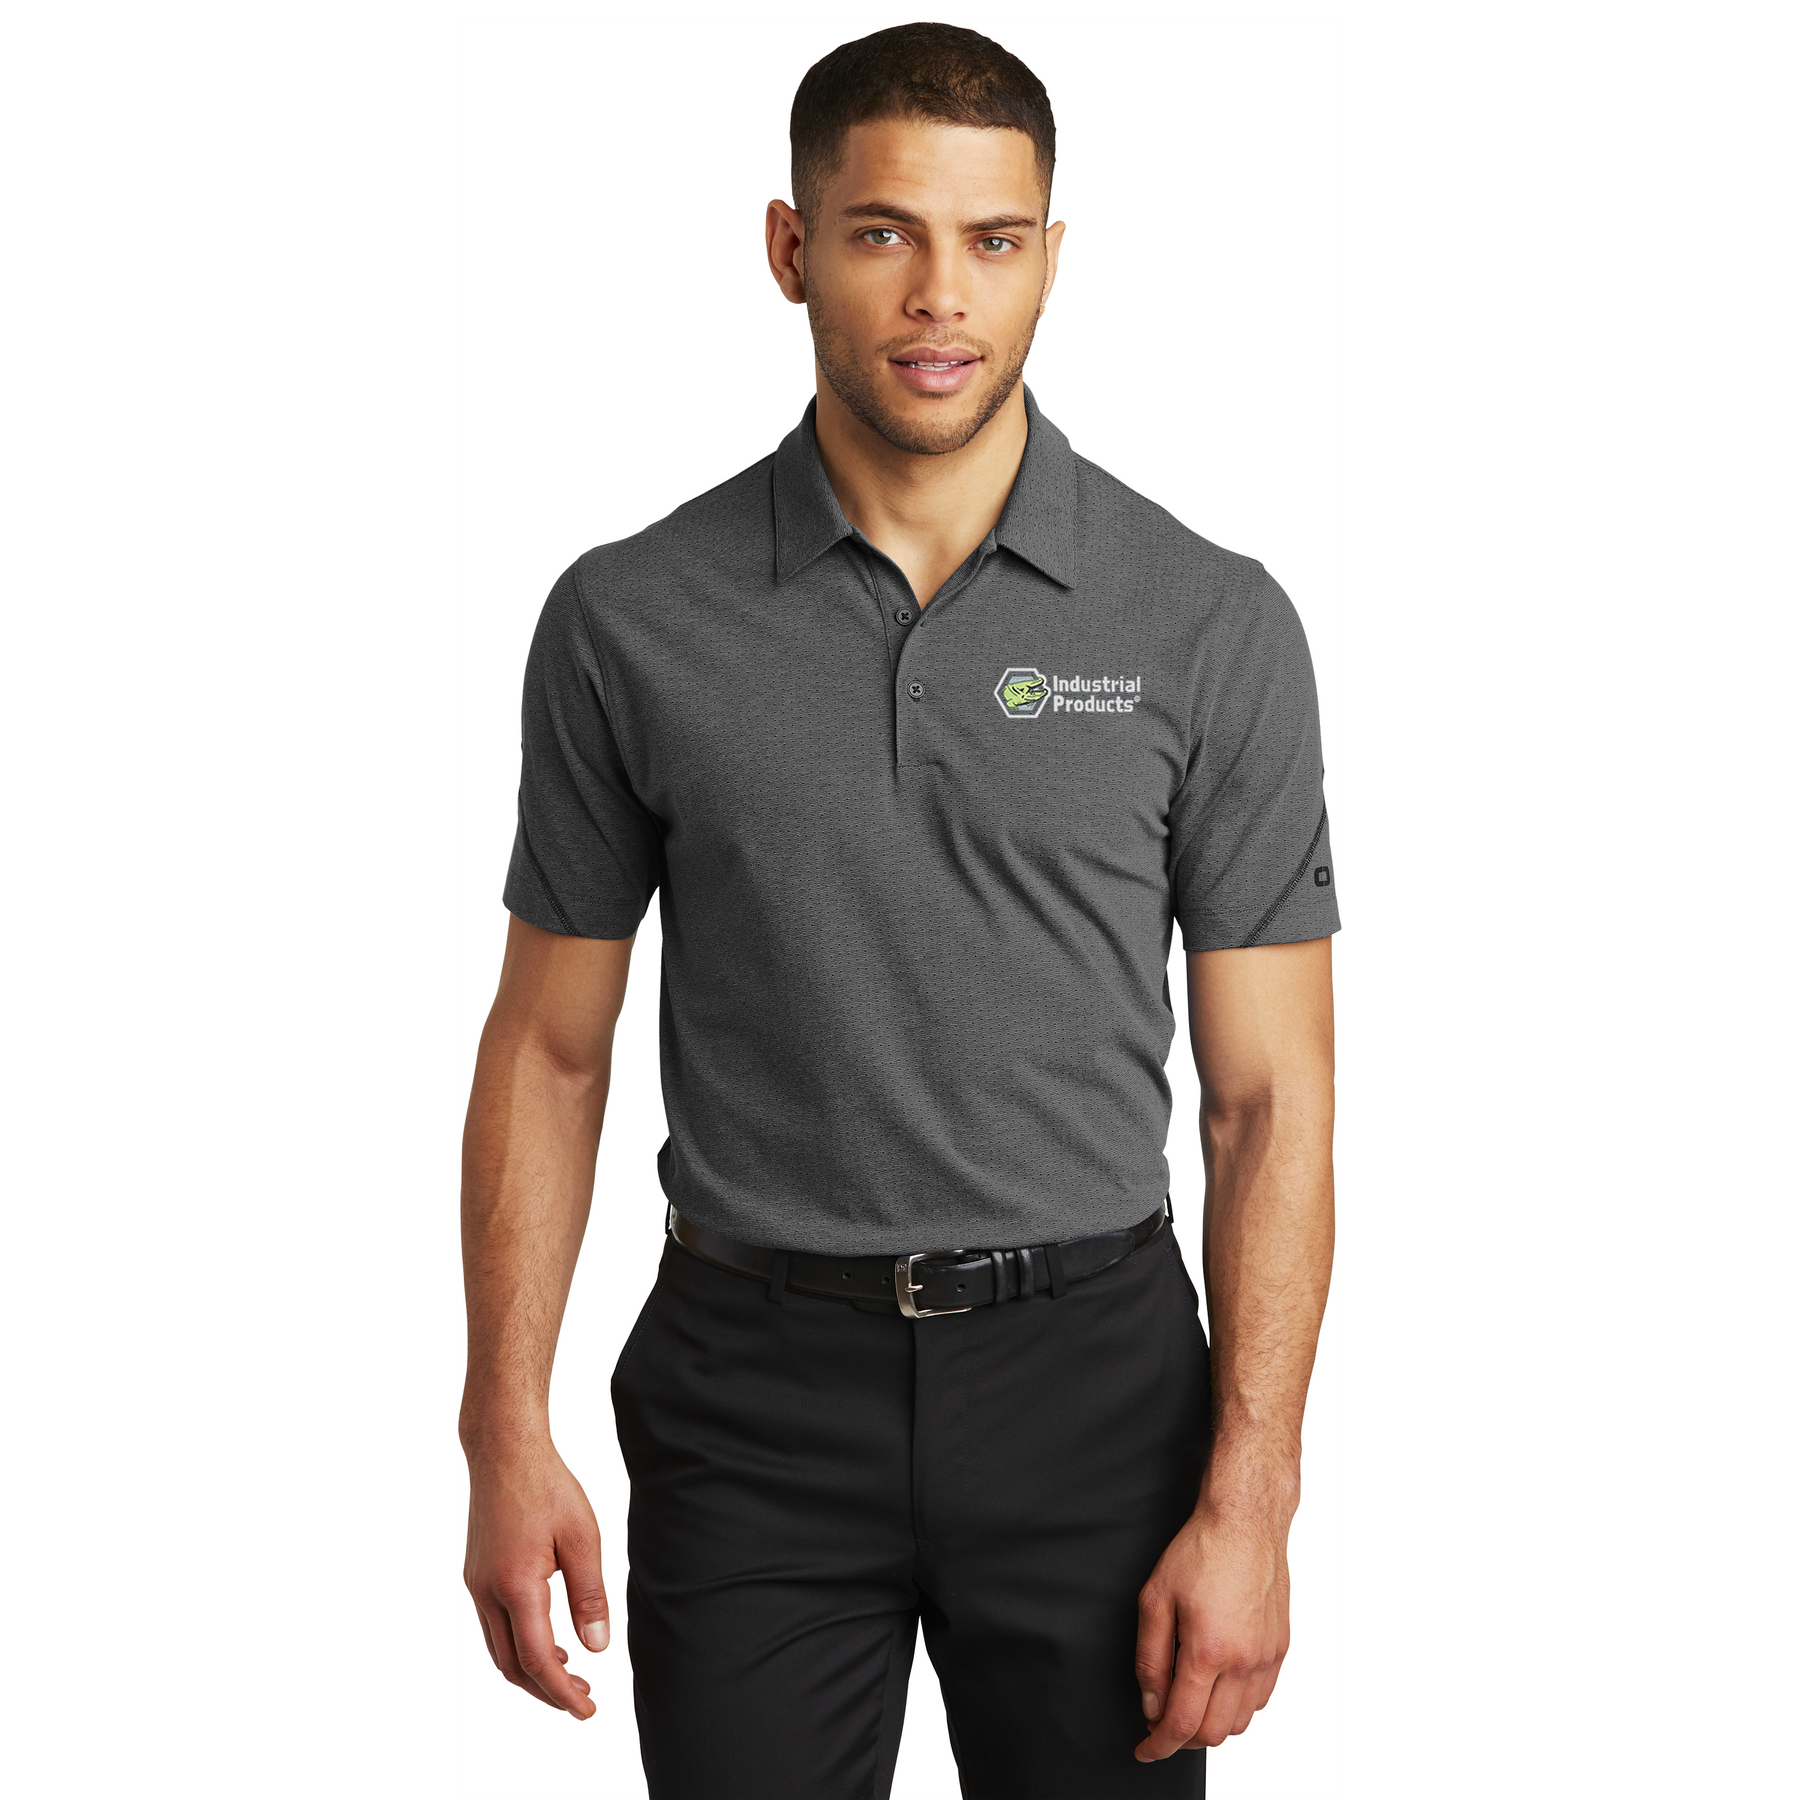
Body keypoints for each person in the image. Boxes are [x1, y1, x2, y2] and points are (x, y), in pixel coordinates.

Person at [459, 21, 1338, 1798]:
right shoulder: (631, 619)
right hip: (751, 1397)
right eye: (883, 234)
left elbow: (1271, 1099)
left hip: (1097, 1390)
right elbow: (549, 1049)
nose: (943, 296)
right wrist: (502, 1428)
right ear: (791, 249)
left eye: (993, 241)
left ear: (1051, 258)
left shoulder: (1209, 621)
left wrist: (1255, 1498)